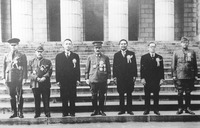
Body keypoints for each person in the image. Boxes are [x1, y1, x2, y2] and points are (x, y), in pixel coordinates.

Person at [171, 36, 198, 115]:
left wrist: (195, 74)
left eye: (186, 42)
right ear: (181, 44)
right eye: (183, 43)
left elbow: (194, 64)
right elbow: (173, 65)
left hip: (189, 75)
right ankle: (180, 108)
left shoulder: (192, 52)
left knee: (188, 92)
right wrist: (174, 75)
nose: (185, 44)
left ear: (188, 43)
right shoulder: (176, 52)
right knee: (180, 92)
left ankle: (188, 108)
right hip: (180, 75)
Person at [2, 38, 27, 118]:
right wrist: (3, 78)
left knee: (19, 96)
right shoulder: (6, 55)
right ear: (9, 46)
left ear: (17, 45)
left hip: (18, 78)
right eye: (12, 45)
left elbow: (25, 68)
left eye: (15, 45)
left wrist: (24, 78)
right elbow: (4, 67)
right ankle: (14, 112)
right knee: (11, 96)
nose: (13, 47)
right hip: (9, 78)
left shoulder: (22, 55)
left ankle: (20, 112)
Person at [85, 41, 111, 116]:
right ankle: (94, 110)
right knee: (94, 96)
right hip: (93, 78)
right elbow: (87, 68)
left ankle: (101, 110)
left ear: (101, 48)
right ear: (94, 48)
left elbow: (109, 69)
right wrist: (87, 78)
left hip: (102, 79)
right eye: (96, 48)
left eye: (99, 48)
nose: (97, 49)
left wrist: (108, 78)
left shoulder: (105, 57)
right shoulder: (90, 57)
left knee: (102, 95)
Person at [55, 39, 80, 117]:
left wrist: (78, 79)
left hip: (72, 79)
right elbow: (57, 69)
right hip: (63, 80)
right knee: (64, 96)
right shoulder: (59, 56)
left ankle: (72, 112)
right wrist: (58, 80)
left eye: (69, 44)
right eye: (66, 44)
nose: (68, 45)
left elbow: (78, 68)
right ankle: (65, 112)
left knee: (72, 96)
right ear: (63, 45)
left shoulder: (75, 56)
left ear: (71, 45)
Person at [113, 39, 137, 115]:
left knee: (129, 93)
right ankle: (122, 109)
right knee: (121, 93)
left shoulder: (131, 53)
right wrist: (115, 76)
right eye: (121, 44)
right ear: (119, 45)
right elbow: (114, 66)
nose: (123, 45)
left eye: (124, 44)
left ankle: (129, 109)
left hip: (129, 77)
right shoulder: (116, 55)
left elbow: (134, 65)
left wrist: (134, 75)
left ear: (127, 45)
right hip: (120, 77)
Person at [140, 42, 164, 115]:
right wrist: (142, 78)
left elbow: (161, 69)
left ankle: (156, 109)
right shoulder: (144, 57)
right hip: (147, 79)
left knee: (156, 95)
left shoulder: (159, 57)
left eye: (154, 47)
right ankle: (147, 109)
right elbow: (142, 69)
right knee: (147, 95)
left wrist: (161, 79)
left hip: (156, 79)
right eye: (151, 47)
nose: (152, 48)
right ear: (148, 48)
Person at [29, 46, 52, 118]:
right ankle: (37, 113)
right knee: (36, 99)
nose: (39, 53)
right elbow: (29, 72)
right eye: (38, 51)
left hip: (45, 83)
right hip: (35, 83)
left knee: (46, 98)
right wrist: (36, 78)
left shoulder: (48, 61)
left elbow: (50, 71)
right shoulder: (31, 61)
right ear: (35, 52)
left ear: (43, 52)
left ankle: (47, 112)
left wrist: (44, 77)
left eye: (41, 52)